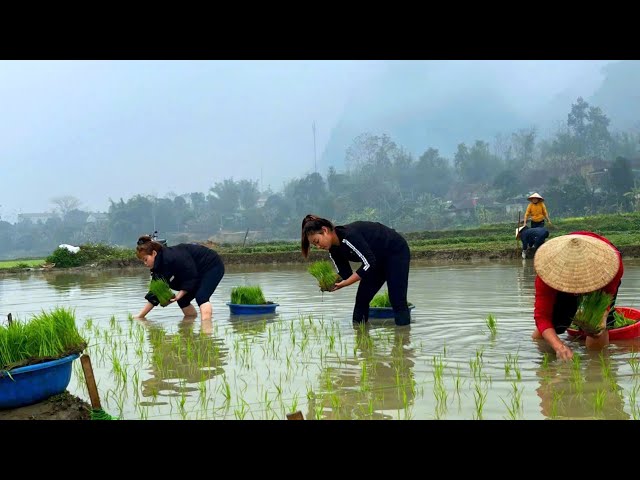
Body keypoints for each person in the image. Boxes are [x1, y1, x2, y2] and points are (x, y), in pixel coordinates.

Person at [301, 214, 411, 326]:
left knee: (397, 299)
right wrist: (330, 283)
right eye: (315, 245)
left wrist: (347, 283)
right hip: (375, 260)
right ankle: (360, 337)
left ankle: (404, 339)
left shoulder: (348, 236)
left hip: (395, 252)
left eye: (317, 241)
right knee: (361, 300)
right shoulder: (333, 249)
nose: (318, 247)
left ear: (325, 230)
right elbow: (345, 273)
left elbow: (368, 263)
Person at [531, 232, 623, 361]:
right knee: (555, 323)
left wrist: (602, 318)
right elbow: (542, 316)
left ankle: (597, 370)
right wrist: (559, 346)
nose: (578, 288)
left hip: (599, 273)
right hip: (561, 278)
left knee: (595, 327)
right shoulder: (547, 273)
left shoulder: (611, 266)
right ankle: (543, 357)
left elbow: (606, 299)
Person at [135, 235, 225, 323]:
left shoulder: (172, 257)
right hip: (196, 272)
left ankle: (206, 332)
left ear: (154, 253)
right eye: (143, 261)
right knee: (183, 301)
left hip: (211, 265)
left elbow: (190, 274)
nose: (145, 263)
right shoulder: (157, 269)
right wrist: (140, 316)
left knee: (201, 297)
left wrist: (180, 294)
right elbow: (155, 294)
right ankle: (188, 326)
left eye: (145, 259)